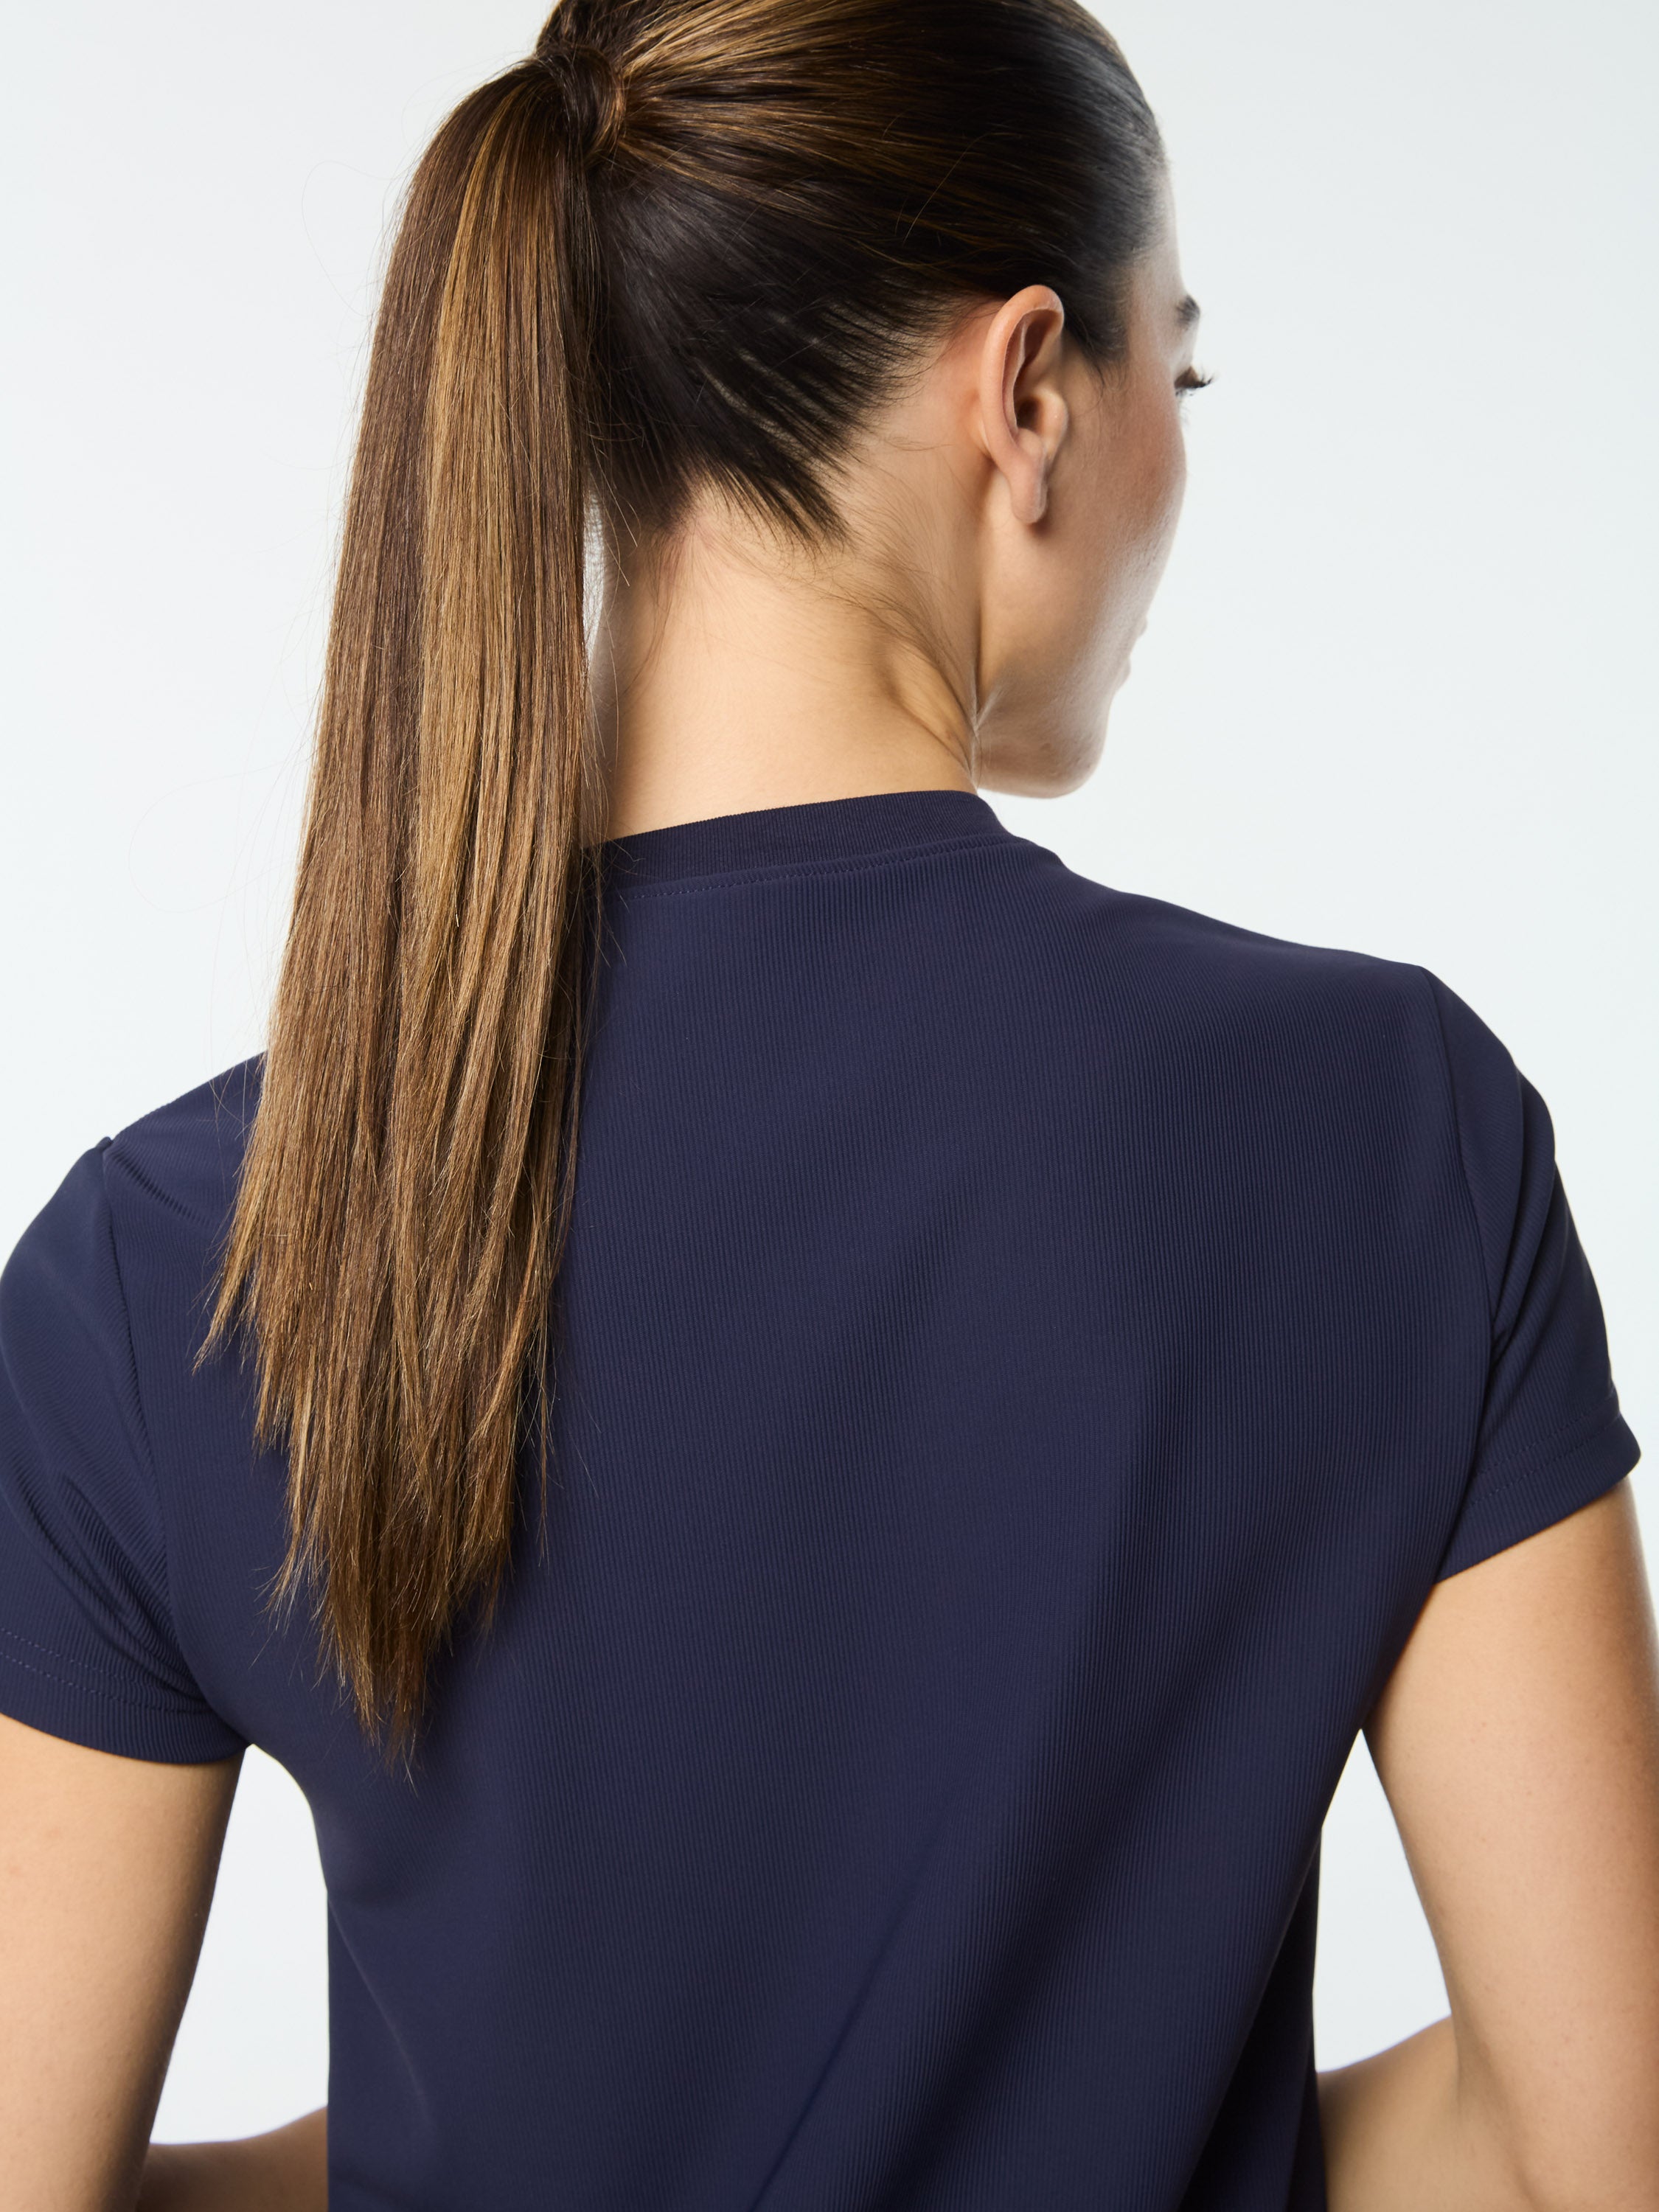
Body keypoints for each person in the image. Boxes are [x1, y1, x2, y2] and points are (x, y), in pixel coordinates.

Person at [2, 0, 1655, 2205]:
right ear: (1028, 391)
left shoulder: (176, 1256)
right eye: (1179, 374)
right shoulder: (1383, 1128)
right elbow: (1585, 2145)